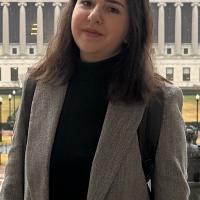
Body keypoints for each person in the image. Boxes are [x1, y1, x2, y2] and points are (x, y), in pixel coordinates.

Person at [1, 0, 190, 199]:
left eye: (112, 8)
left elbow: (173, 193)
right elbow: (13, 185)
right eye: (87, 3)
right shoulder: (37, 86)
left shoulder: (159, 102)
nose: (94, 16)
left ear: (132, 27)